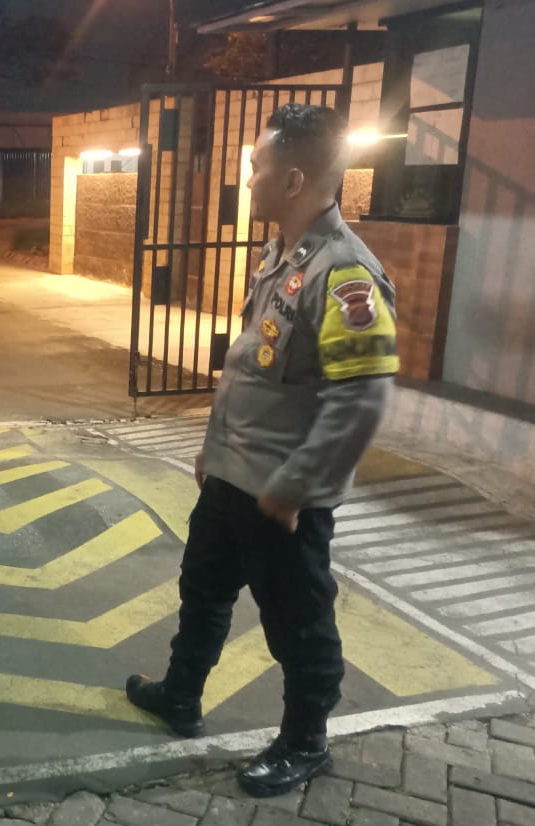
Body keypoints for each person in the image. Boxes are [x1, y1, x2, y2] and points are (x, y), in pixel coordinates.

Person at [125, 104, 399, 798]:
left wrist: (295, 487)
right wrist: (212, 449)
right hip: (232, 476)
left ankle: (305, 741)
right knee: (202, 590)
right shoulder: (281, 256)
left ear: (295, 178)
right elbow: (252, 369)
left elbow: (361, 399)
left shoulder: (345, 274)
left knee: (298, 625)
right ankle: (181, 694)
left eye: (256, 167)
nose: (247, 180)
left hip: (280, 498)